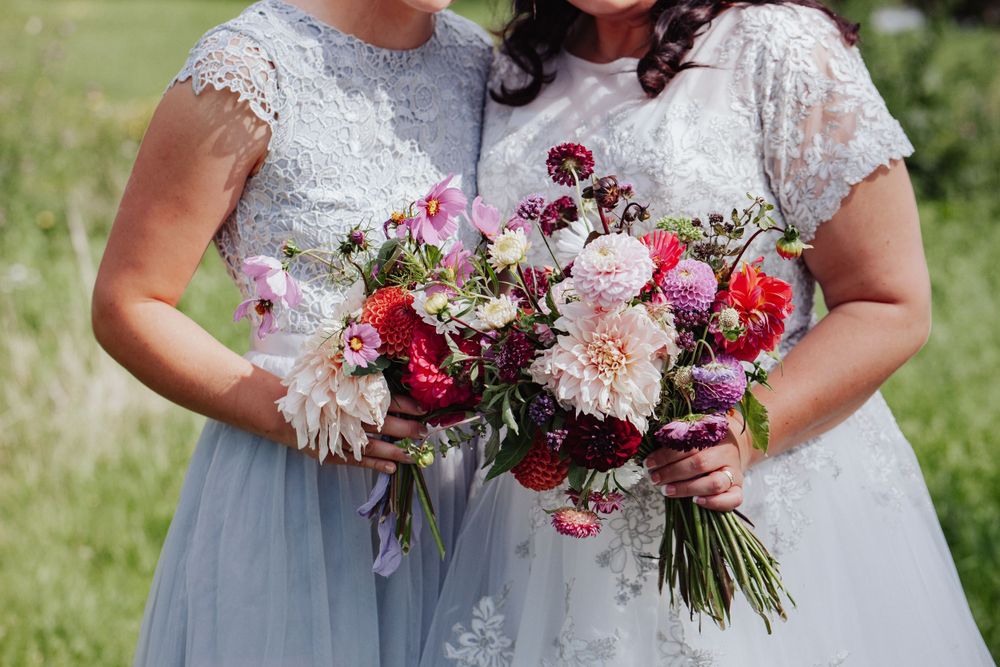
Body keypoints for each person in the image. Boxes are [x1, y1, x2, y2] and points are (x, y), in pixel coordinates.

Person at [420, 1, 994, 664]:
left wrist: (739, 438)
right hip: (553, 535)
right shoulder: (519, 67)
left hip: (754, 501)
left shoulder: (780, 47)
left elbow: (888, 302)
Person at [91, 1, 491, 664]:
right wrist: (300, 416)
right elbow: (128, 302)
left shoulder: (479, 61)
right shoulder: (246, 71)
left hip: (456, 500)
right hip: (299, 499)